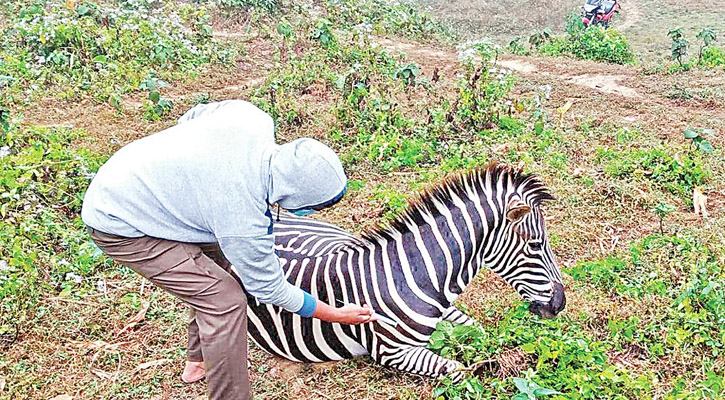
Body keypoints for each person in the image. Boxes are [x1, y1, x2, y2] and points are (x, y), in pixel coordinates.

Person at [81, 100, 375, 400]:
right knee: (224, 300)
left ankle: (198, 362)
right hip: (119, 222)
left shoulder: (252, 119)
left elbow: (193, 115)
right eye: (311, 208)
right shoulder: (241, 216)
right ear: (293, 197)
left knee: (217, 266)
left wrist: (190, 176)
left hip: (129, 175)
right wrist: (336, 314)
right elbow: (271, 289)